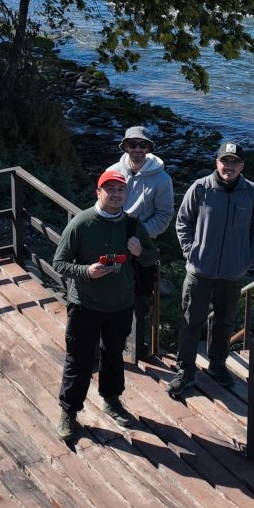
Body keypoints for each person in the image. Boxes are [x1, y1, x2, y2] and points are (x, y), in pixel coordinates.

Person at [52, 168, 158, 440]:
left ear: (126, 194)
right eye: (109, 189)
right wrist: (85, 272)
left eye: (120, 190)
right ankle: (69, 411)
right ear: (98, 192)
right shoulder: (81, 223)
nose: (115, 194)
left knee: (114, 356)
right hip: (85, 305)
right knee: (79, 359)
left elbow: (151, 258)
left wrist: (139, 252)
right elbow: (59, 263)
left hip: (121, 305)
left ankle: (111, 401)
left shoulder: (133, 225)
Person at [169, 141, 254, 398]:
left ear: (242, 165)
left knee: (225, 322)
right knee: (192, 322)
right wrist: (191, 251)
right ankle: (185, 370)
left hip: (232, 273)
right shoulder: (200, 188)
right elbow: (183, 222)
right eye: (225, 161)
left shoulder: (251, 192)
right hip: (200, 271)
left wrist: (249, 258)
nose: (229, 166)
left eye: (235, 162)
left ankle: (217, 365)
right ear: (217, 162)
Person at [105, 125, 174, 361]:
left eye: (142, 145)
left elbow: (165, 216)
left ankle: (137, 348)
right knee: (111, 292)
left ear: (149, 148)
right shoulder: (113, 171)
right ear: (124, 146)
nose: (137, 149)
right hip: (112, 241)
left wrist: (139, 235)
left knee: (140, 298)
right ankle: (112, 343)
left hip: (142, 247)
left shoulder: (162, 179)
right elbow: (101, 205)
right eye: (132, 144)